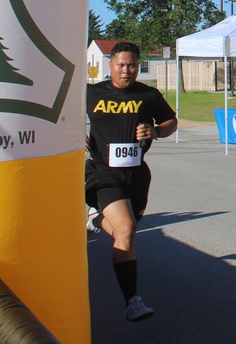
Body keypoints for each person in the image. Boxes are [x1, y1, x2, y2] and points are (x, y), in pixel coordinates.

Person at [86, 41, 178, 322]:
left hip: (136, 174)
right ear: (110, 65)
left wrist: (155, 131)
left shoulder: (148, 95)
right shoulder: (91, 92)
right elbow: (61, 113)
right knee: (125, 229)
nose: (127, 70)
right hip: (103, 173)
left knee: (122, 233)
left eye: (133, 66)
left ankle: (93, 221)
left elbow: (171, 121)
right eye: (121, 65)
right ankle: (132, 300)